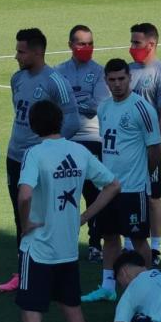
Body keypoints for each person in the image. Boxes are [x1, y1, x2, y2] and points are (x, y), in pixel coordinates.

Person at [3, 100, 120, 322]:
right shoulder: (79, 151)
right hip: (68, 250)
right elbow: (113, 185)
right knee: (73, 312)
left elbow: (25, 192)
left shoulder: (35, 154)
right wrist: (86, 215)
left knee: (31, 316)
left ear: (32, 125)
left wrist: (25, 221)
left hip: (39, 249)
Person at [0, 28, 79, 293]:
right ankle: (23, 271)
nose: (16, 56)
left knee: (45, 214)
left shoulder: (55, 81)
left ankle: (51, 269)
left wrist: (49, 149)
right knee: (21, 215)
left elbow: (73, 120)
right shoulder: (16, 79)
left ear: (37, 52)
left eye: (21, 51)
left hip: (40, 162)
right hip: (15, 156)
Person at [82, 59, 161, 303]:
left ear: (130, 79)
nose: (117, 84)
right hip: (108, 187)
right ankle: (108, 287)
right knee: (109, 236)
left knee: (138, 239)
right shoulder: (104, 108)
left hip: (134, 188)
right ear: (106, 81)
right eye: (112, 80)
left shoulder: (142, 108)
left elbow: (155, 148)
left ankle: (146, 286)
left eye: (122, 79)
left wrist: (143, 175)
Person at [55, 24, 110, 263]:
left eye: (90, 43)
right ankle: (64, 241)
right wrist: (80, 100)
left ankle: (95, 244)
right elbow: (55, 103)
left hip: (92, 139)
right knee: (66, 194)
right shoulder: (58, 71)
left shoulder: (100, 71)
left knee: (93, 194)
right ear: (70, 45)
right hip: (66, 139)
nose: (86, 48)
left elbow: (97, 105)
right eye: (81, 43)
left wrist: (71, 103)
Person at [128, 23, 161, 266]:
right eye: (132, 42)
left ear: (151, 44)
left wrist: (154, 147)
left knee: (153, 195)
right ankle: (129, 242)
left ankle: (155, 247)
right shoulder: (128, 71)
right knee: (127, 193)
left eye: (137, 43)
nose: (131, 47)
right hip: (127, 149)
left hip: (149, 148)